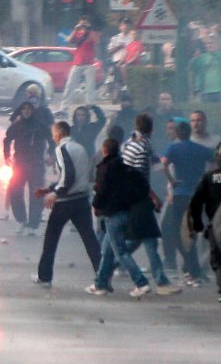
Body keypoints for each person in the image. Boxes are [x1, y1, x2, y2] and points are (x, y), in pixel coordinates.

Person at [32, 121, 102, 288]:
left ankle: (45, 276)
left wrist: (55, 194)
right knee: (89, 238)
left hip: (65, 203)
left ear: (60, 133)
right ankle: (102, 273)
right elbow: (75, 176)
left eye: (54, 134)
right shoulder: (80, 148)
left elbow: (68, 176)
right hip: (82, 200)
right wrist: (48, 188)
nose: (52, 137)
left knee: (51, 238)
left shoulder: (62, 149)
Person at [121, 114, 182, 295]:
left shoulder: (132, 144)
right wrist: (154, 196)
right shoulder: (141, 146)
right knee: (148, 241)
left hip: (134, 198)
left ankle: (107, 270)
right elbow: (140, 177)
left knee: (137, 241)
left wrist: (170, 179)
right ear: (152, 129)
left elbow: (157, 165)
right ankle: (161, 281)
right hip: (139, 200)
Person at [86, 138, 155, 298]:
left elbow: (101, 190)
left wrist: (96, 205)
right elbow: (143, 186)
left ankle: (141, 282)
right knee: (107, 251)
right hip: (126, 212)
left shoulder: (105, 168)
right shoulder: (127, 169)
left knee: (121, 252)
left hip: (111, 215)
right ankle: (100, 284)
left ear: (104, 151)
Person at [161, 121, 214, 283]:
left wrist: (171, 180)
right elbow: (215, 160)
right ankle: (193, 268)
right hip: (196, 194)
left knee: (176, 232)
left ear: (177, 133)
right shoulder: (200, 149)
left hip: (179, 195)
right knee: (191, 232)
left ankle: (192, 269)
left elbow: (164, 163)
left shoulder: (174, 148)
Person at [189, 141, 221, 309]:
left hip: (219, 227)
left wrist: (198, 223)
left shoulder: (209, 178)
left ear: (218, 157)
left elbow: (196, 202)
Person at [3, 102, 52, 235]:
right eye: (23, 109)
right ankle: (21, 220)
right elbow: (7, 140)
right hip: (20, 164)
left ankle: (33, 224)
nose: (26, 111)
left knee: (36, 193)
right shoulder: (17, 126)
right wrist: (7, 156)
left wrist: (51, 155)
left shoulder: (40, 126)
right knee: (15, 190)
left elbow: (51, 140)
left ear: (32, 111)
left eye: (28, 109)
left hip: (37, 164)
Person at [59, 17, 99, 113]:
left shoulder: (92, 33)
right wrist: (76, 29)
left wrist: (88, 31)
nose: (83, 26)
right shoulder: (77, 33)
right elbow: (69, 41)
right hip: (77, 63)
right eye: (82, 24)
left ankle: (90, 106)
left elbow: (96, 41)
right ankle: (64, 107)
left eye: (85, 24)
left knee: (90, 86)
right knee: (70, 85)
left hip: (89, 63)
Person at [189, 34, 221, 103]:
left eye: (211, 43)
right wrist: (195, 58)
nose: (208, 45)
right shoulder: (203, 56)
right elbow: (193, 68)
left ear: (218, 44)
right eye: (206, 44)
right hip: (206, 92)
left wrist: (215, 54)